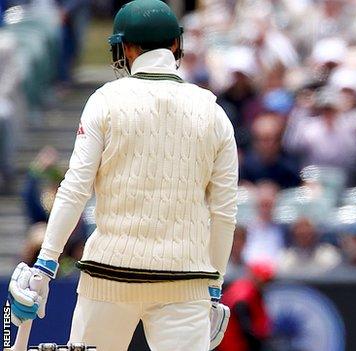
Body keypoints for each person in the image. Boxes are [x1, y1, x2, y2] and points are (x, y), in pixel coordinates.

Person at [7, 1, 238, 350]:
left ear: (126, 48)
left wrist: (45, 263)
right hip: (185, 281)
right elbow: (224, 214)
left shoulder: (105, 100)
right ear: (176, 46)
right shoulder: (214, 113)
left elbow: (74, 189)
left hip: (108, 277)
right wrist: (215, 288)